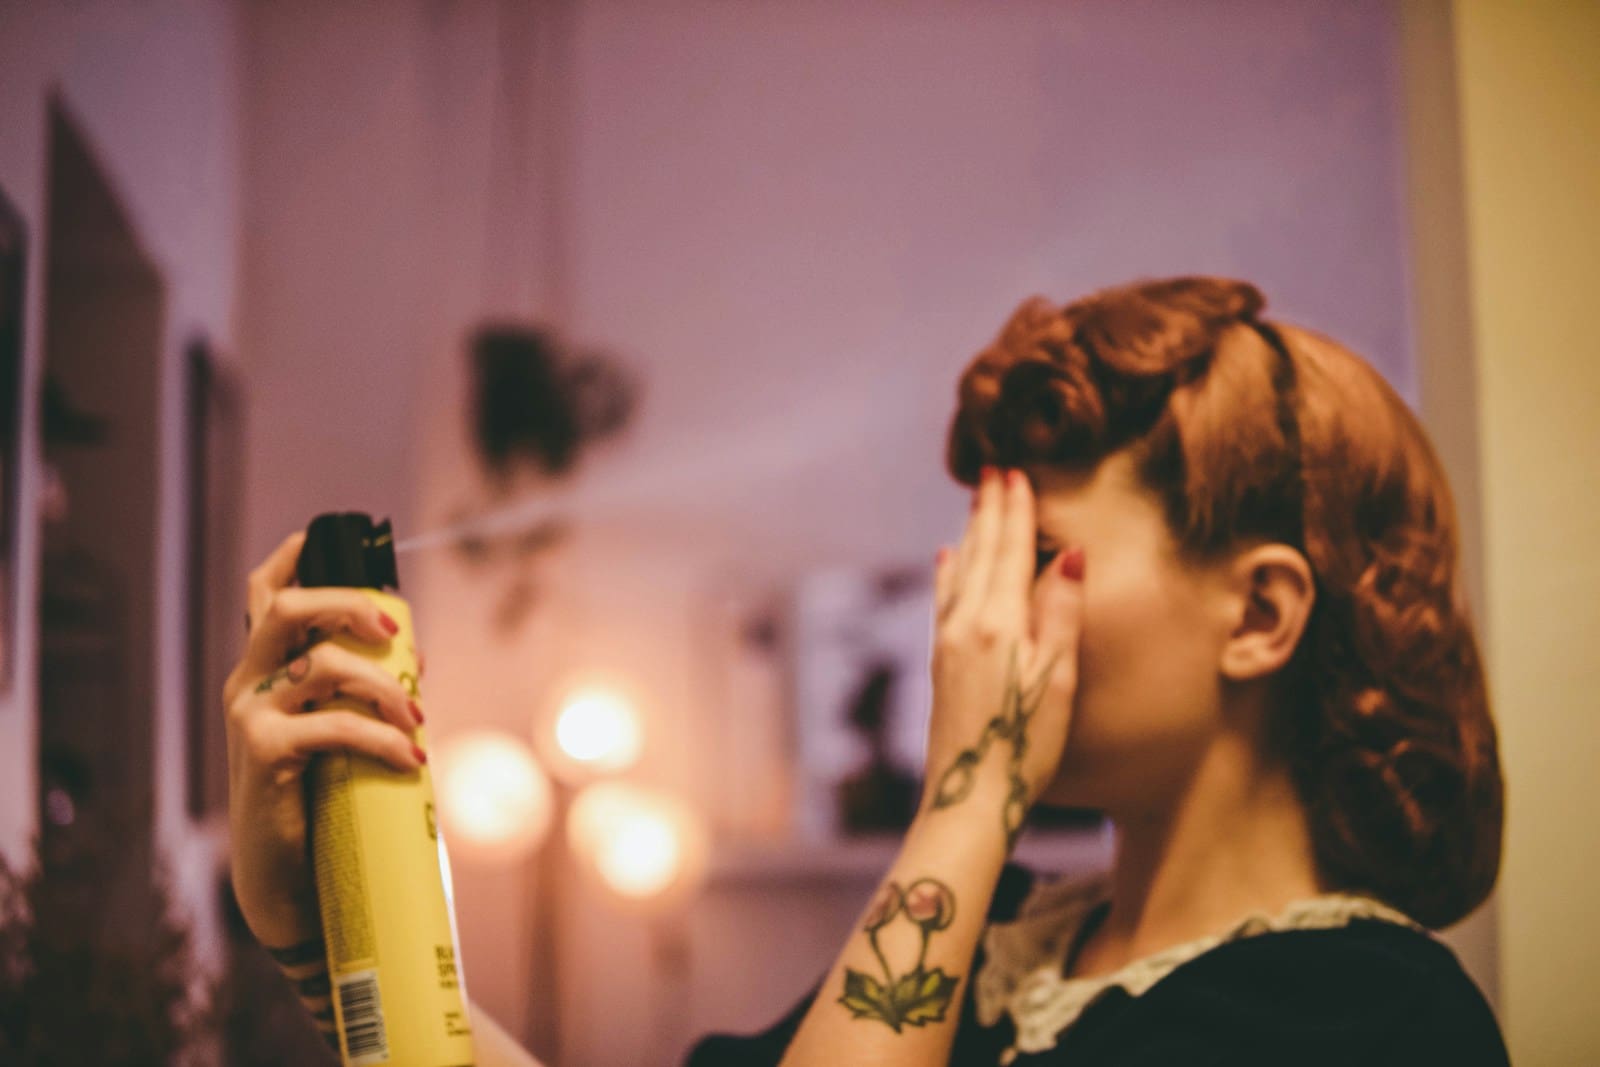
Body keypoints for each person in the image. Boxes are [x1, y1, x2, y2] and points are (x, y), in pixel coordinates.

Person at [224, 276, 1508, 1066]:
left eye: (1039, 556)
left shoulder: (1373, 1021)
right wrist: (325, 938)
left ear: (1262, 613)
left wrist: (971, 784)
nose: (964, 610)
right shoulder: (997, 934)